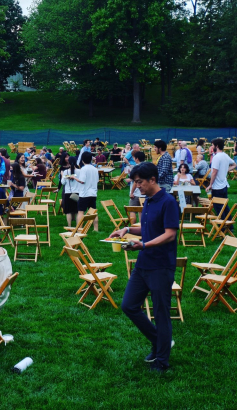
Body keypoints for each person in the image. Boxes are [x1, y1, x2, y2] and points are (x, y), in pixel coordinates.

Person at [110, 161, 180, 372]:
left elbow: (170, 234)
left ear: (152, 179)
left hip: (161, 266)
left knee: (160, 313)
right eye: (135, 182)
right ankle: (160, 341)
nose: (136, 186)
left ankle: (162, 361)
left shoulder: (168, 202)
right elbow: (148, 228)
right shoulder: (148, 201)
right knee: (129, 305)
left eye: (139, 182)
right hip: (143, 264)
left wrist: (144, 245)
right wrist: (126, 229)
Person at [73, 151, 100, 232]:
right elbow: (97, 180)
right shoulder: (95, 169)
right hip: (93, 193)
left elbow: (82, 181)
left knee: (81, 212)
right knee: (93, 211)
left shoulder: (83, 169)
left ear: (82, 160)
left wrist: (74, 178)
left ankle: (79, 229)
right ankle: (96, 229)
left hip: (84, 194)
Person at [209, 138, 236, 219]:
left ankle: (222, 224)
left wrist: (210, 184)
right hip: (224, 185)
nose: (211, 147)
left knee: (218, 208)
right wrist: (225, 170)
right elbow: (234, 164)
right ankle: (229, 223)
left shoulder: (216, 157)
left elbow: (214, 172)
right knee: (225, 206)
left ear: (216, 146)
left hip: (217, 187)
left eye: (212, 145)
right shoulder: (225, 155)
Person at [60, 154, 79, 229]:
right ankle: (78, 226)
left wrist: (63, 176)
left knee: (68, 211)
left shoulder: (66, 172)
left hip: (68, 193)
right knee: (77, 211)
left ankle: (69, 226)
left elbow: (63, 182)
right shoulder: (80, 171)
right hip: (77, 192)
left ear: (68, 162)